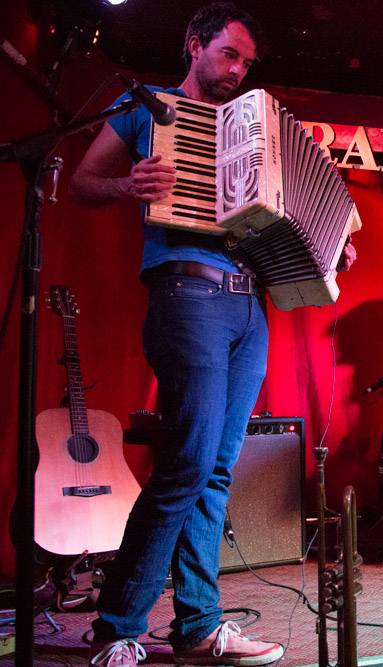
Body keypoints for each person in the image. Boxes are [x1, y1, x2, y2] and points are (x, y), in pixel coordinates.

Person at [70, 4, 354, 665]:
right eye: (229, 53)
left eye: (246, 63)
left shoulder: (255, 132)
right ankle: (117, 627)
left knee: (219, 470)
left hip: (250, 306)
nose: (238, 70)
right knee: (189, 462)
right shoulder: (147, 107)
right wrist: (127, 184)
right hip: (188, 293)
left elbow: (286, 223)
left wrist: (329, 250)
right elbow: (82, 181)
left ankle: (199, 625)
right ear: (194, 44)